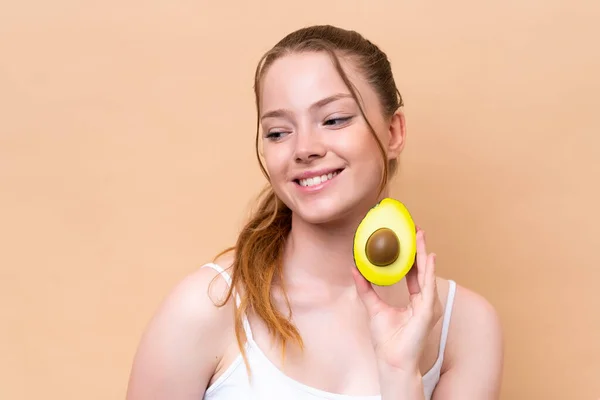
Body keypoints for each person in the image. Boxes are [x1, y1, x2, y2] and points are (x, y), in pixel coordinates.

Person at [125, 25, 504, 400]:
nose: (304, 148)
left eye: (334, 119)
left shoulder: (466, 328)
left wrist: (399, 372)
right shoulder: (207, 307)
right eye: (277, 132)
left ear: (393, 132)